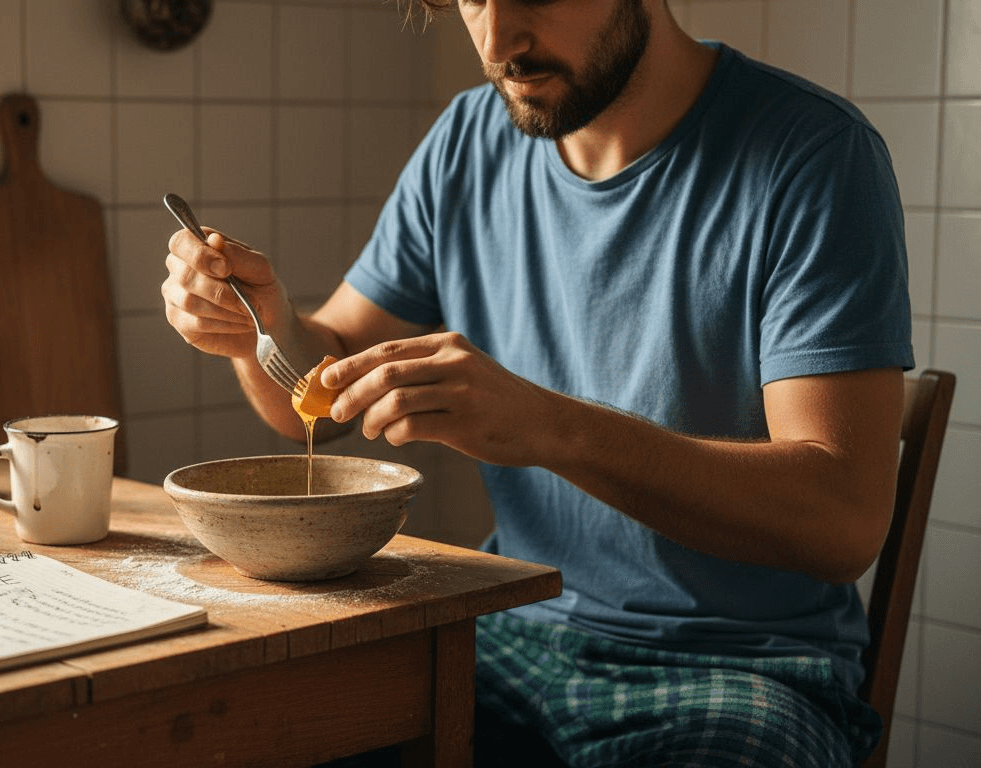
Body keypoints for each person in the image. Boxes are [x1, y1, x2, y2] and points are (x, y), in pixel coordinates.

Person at [161, 0, 912, 765]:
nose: (496, 41)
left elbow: (842, 520)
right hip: (513, 633)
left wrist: (549, 427)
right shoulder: (466, 141)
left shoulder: (815, 154)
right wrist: (256, 324)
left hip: (740, 668)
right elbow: (322, 384)